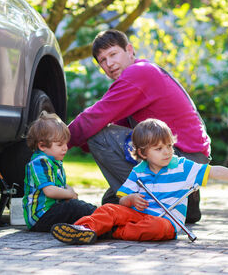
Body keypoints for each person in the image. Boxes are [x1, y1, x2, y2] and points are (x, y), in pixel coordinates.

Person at [68, 29, 211, 223]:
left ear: (129, 50)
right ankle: (183, 204)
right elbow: (112, 124)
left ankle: (160, 201)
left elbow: (94, 119)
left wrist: (58, 142)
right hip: (185, 157)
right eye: (102, 60)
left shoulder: (138, 73)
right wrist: (80, 143)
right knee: (110, 200)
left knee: (98, 137)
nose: (109, 64)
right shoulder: (143, 73)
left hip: (181, 156)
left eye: (113, 54)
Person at [51, 119, 228, 244]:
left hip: (165, 223)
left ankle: (109, 232)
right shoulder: (139, 171)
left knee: (152, 227)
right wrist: (131, 199)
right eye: (158, 149)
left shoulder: (182, 167)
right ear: (143, 153)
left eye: (169, 146)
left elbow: (216, 172)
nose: (166, 152)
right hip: (137, 215)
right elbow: (123, 200)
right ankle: (82, 230)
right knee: (109, 208)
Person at [23, 112, 97, 232]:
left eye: (66, 144)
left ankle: (94, 225)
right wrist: (70, 194)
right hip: (41, 217)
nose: (65, 148)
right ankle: (103, 219)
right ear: (42, 146)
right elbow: (50, 191)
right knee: (75, 207)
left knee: (77, 209)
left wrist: (69, 192)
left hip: (52, 212)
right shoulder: (40, 162)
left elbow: (59, 186)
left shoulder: (53, 162)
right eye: (60, 144)